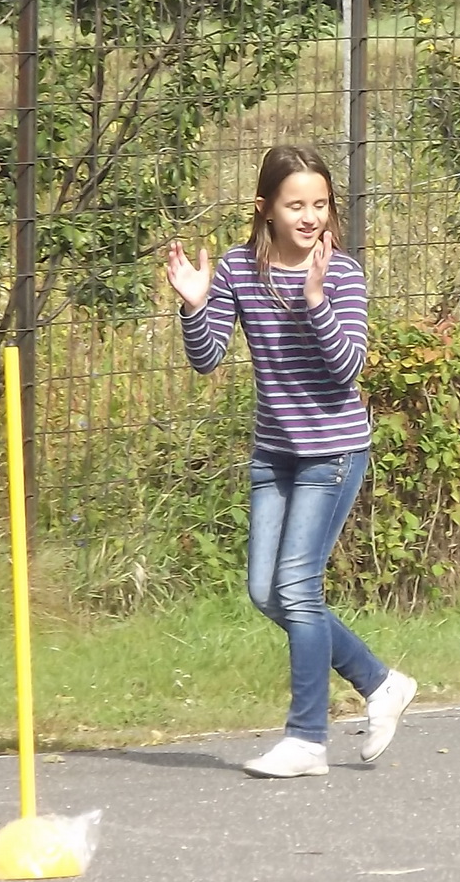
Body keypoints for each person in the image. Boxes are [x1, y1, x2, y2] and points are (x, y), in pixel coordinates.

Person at [166, 145, 418, 778]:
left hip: (333, 452)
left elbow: (347, 369)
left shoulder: (342, 274)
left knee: (298, 589)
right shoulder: (238, 269)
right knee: (265, 592)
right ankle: (380, 682)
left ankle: (307, 740)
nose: (310, 217)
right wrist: (195, 305)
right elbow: (207, 359)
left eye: (320, 204)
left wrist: (314, 301)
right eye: (296, 205)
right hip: (274, 453)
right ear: (266, 209)